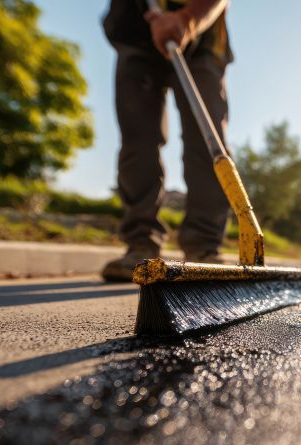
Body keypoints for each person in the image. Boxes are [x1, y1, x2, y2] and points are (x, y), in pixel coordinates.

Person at [100, 0, 233, 281]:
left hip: (204, 40)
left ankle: (204, 247)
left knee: (207, 140)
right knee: (139, 139)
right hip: (137, 31)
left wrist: (189, 19)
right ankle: (140, 244)